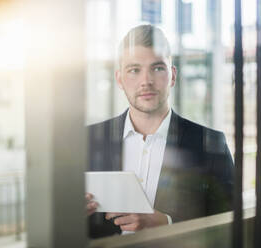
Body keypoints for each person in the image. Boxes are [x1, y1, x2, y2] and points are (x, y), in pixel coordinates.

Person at [86, 24, 234, 238]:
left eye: (157, 68)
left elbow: (230, 224)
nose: (146, 81)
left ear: (172, 76)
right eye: (134, 70)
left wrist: (167, 223)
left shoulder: (210, 143)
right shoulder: (90, 140)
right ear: (119, 79)